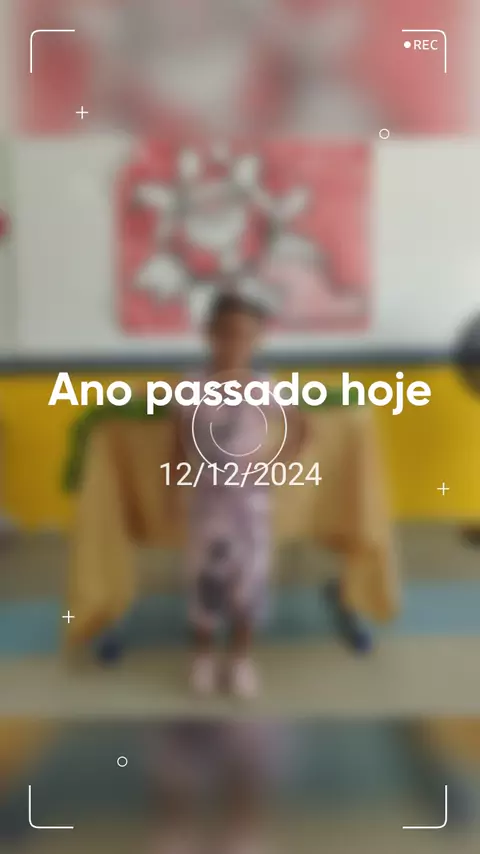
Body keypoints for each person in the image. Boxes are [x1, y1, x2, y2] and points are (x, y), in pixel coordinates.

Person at [171, 290, 308, 699]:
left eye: (245, 336)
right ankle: (202, 657)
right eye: (226, 334)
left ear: (258, 340)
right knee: (205, 580)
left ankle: (240, 658)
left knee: (249, 582)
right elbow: (177, 437)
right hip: (207, 506)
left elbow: (299, 427)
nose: (234, 344)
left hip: (251, 506)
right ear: (209, 334)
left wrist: (273, 462)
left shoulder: (265, 386)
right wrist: (173, 482)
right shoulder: (192, 385)